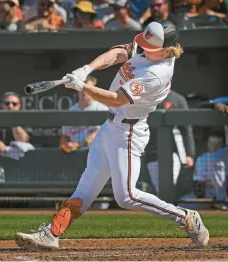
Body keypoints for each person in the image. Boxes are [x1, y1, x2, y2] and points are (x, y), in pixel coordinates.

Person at [15, 20, 209, 250]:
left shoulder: (156, 74)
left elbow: (116, 98)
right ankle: (51, 233)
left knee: (126, 196)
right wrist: (86, 69)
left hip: (128, 132)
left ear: (166, 50)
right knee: (85, 187)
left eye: (151, 47)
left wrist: (83, 87)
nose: (143, 48)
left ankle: (186, 217)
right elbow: (119, 53)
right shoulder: (149, 48)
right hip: (109, 127)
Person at [144, 90, 195, 195]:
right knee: (158, 187)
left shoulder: (178, 99)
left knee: (169, 185)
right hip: (152, 153)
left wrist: (190, 153)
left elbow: (186, 129)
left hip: (173, 151)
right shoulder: (145, 98)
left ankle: (168, 209)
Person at [60, 75, 108, 153]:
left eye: (88, 89)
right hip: (74, 155)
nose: (84, 92)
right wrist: (66, 147)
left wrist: (80, 144)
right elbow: (64, 138)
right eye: (81, 88)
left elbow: (101, 134)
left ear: (94, 89)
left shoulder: (103, 110)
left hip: (97, 154)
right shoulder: (70, 112)